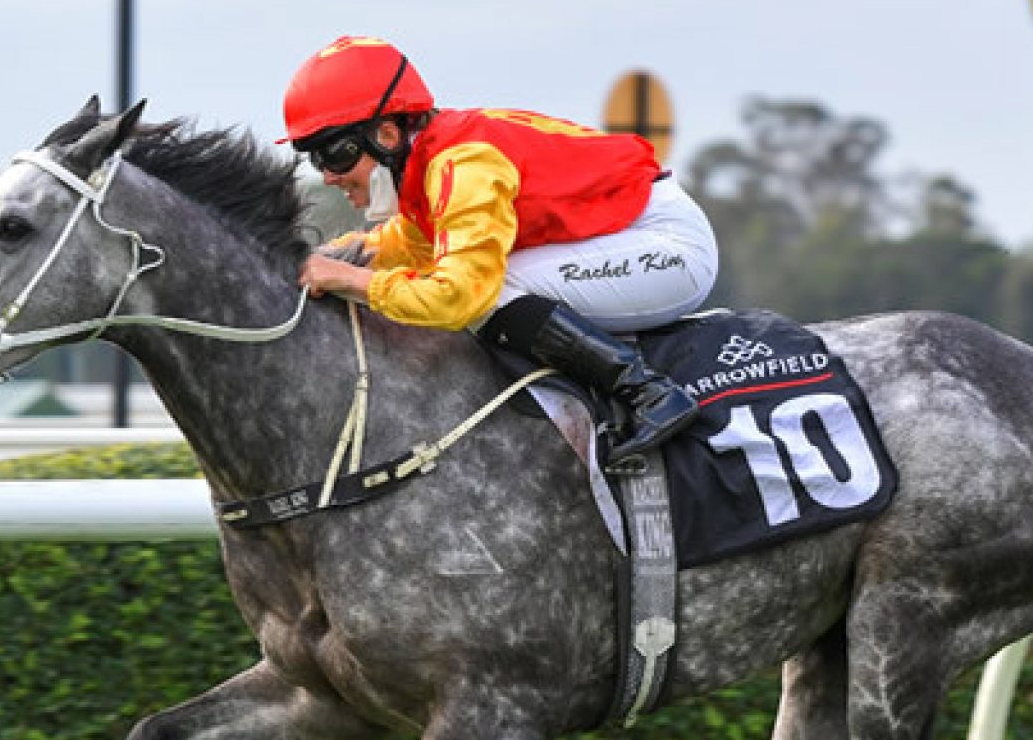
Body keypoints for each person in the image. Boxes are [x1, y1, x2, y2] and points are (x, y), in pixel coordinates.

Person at [285, 36, 719, 466]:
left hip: (668, 245)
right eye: (314, 161)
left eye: (335, 155)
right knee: (478, 277)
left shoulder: (464, 163)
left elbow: (456, 297)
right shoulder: (428, 163)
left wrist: (350, 278)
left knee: (489, 287)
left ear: (387, 134)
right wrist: (322, 259)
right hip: (627, 232)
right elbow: (410, 247)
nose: (328, 177)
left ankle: (645, 392)